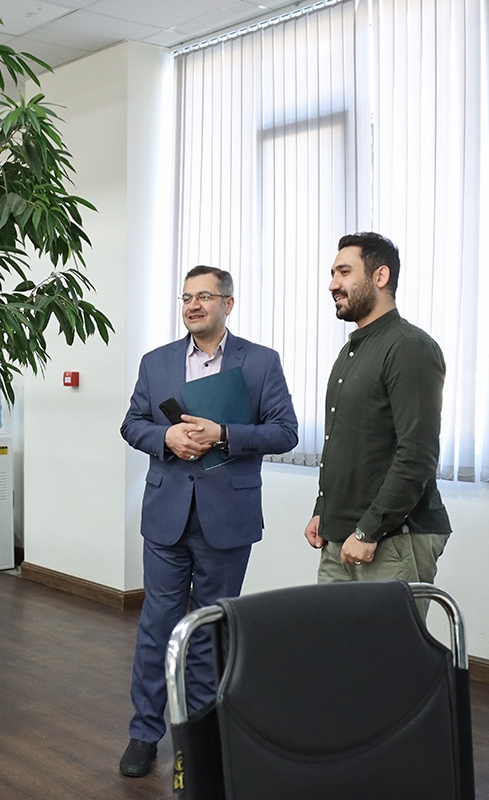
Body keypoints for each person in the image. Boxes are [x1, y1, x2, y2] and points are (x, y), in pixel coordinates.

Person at [118, 265, 298, 778]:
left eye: (204, 296)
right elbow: (132, 424)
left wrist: (224, 433)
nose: (193, 305)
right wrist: (165, 437)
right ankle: (143, 733)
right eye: (186, 297)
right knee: (157, 626)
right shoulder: (156, 362)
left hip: (227, 516)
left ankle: (199, 736)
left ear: (228, 304)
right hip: (167, 515)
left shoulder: (260, 362)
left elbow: (285, 432)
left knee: (209, 628)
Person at [303, 232, 451, 585]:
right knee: (326, 625)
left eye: (344, 272)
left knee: (388, 628)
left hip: (391, 538)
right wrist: (324, 510)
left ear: (380, 276)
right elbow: (346, 442)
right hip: (341, 537)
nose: (333, 285)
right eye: (333, 274)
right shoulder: (352, 350)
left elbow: (416, 454)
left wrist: (368, 531)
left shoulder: (409, 347)